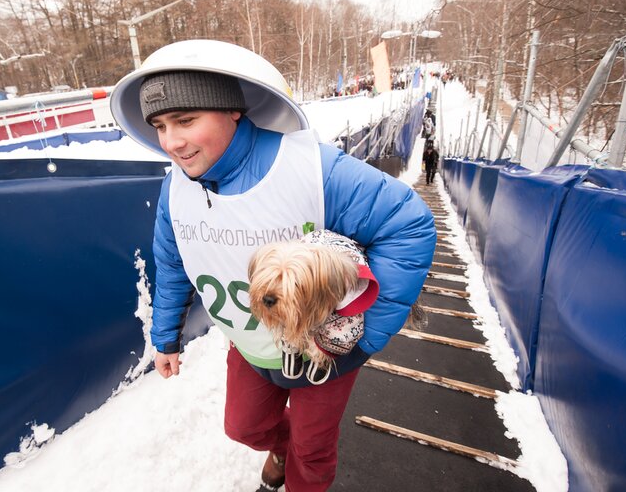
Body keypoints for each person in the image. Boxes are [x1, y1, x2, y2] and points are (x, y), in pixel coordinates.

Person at [110, 40, 436, 492]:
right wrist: (166, 337)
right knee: (244, 428)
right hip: (250, 347)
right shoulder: (175, 188)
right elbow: (172, 262)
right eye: (161, 125)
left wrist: (367, 336)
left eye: (186, 120)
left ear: (233, 112)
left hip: (323, 354)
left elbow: (410, 225)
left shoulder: (309, 167)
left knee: (315, 450)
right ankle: (283, 449)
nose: (172, 141)